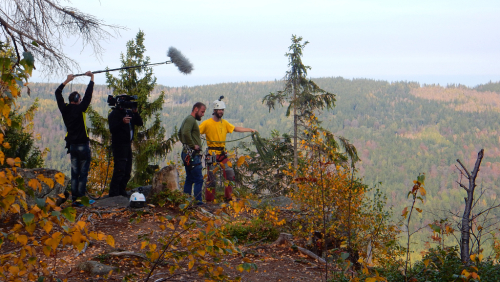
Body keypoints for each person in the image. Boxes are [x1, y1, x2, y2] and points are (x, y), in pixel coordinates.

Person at [199, 97, 256, 202]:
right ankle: (210, 201)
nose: (221, 112)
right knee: (211, 178)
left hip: (222, 153)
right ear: (215, 110)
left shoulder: (224, 123)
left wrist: (250, 130)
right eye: (219, 110)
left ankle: (229, 197)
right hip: (212, 154)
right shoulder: (207, 123)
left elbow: (235, 128)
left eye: (222, 110)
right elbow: (197, 132)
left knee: (230, 174)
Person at [55, 71, 95, 207]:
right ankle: (81, 199)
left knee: (74, 173)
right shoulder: (81, 109)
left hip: (72, 146)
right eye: (80, 100)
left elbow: (57, 93)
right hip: (83, 146)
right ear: (79, 100)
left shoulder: (64, 109)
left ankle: (74, 199)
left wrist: (66, 81)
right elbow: (88, 96)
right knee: (83, 174)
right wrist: (92, 78)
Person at [108, 96, 143, 197]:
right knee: (120, 169)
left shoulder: (129, 113)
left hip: (128, 145)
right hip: (119, 145)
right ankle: (114, 193)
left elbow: (139, 123)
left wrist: (135, 112)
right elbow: (112, 129)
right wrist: (122, 122)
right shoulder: (114, 114)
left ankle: (121, 190)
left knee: (127, 170)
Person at [179, 102, 206, 205]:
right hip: (192, 155)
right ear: (196, 109)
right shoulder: (191, 119)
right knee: (199, 179)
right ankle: (198, 202)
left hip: (187, 153)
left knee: (189, 178)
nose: (203, 114)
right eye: (202, 111)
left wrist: (185, 145)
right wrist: (192, 145)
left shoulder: (188, 119)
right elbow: (185, 132)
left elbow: (180, 133)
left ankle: (186, 201)